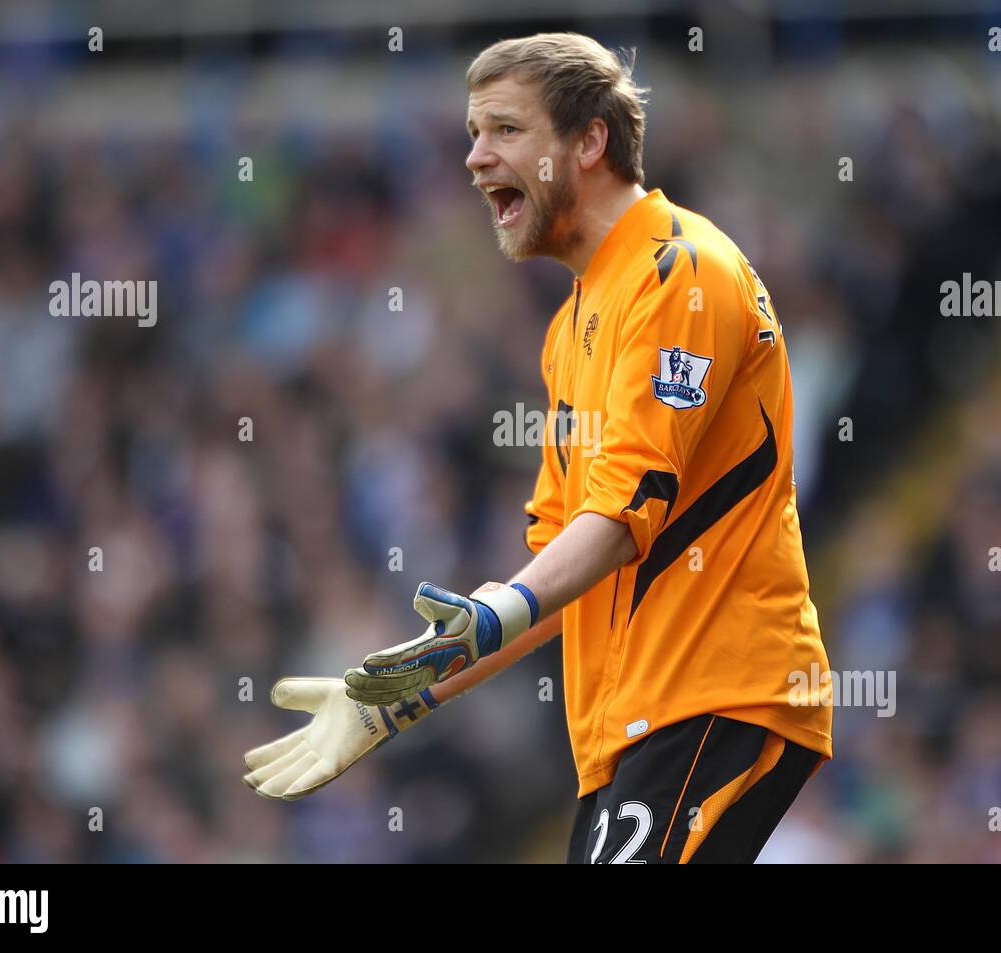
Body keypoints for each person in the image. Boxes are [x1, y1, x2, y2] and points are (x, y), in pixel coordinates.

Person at [244, 32, 833, 865]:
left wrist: (485, 620)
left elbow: (624, 517)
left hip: (714, 693)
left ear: (590, 140)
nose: (476, 158)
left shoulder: (682, 272)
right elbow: (553, 576)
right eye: (473, 134)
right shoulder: (571, 329)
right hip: (632, 726)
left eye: (505, 131)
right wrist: (398, 694)